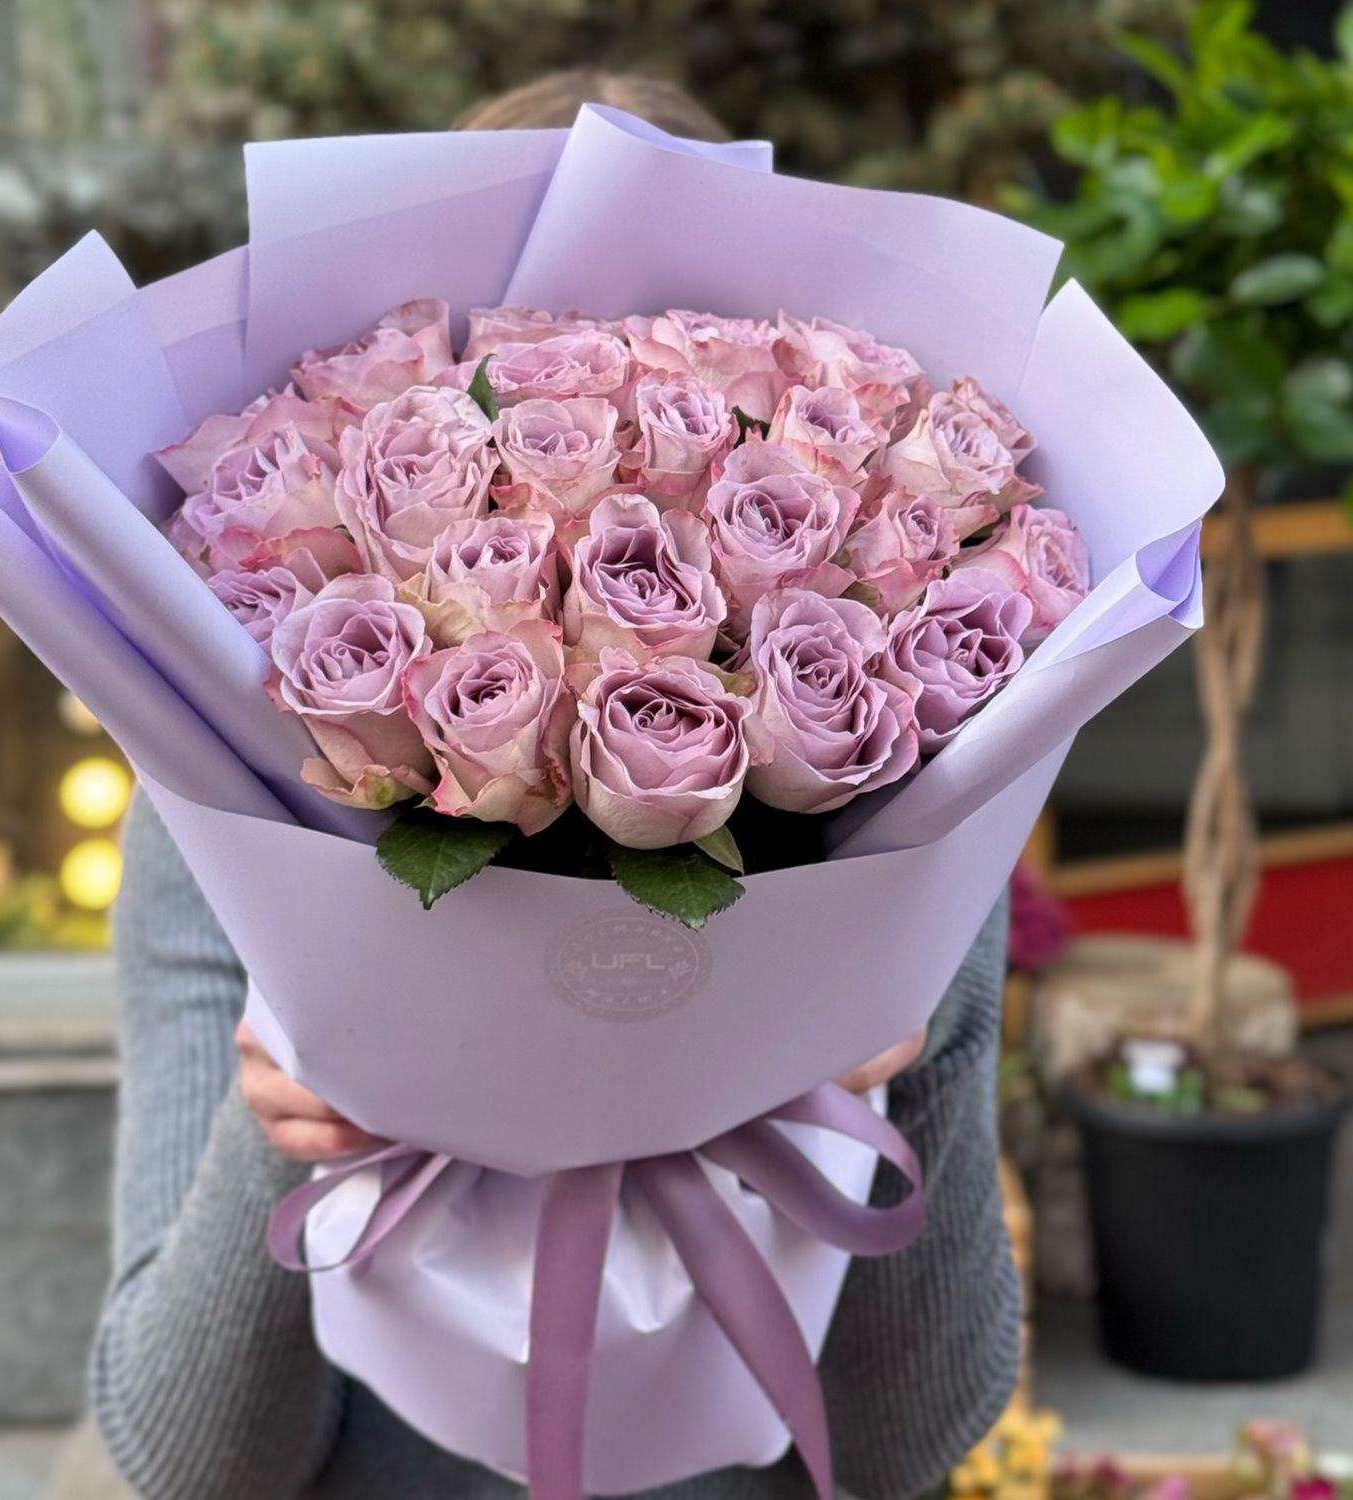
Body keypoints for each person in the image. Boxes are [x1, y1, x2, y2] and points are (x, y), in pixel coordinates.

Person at [90, 70, 1021, 1500]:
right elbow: (188, 1460)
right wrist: (297, 1083)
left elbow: (906, 1449)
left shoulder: (899, 821)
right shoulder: (224, 816)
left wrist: (901, 1023)